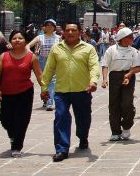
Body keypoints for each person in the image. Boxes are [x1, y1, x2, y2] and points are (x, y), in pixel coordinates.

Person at [41, 22, 100, 162]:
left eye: (73, 30)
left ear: (80, 32)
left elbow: (94, 66)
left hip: (83, 90)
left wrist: (93, 81)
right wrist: (44, 88)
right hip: (62, 91)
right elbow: (49, 69)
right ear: (63, 33)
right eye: (67, 30)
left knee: (83, 118)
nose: (70, 33)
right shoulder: (56, 49)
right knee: (61, 117)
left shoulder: (88, 48)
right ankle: (61, 149)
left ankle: (83, 136)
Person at [0, 31, 43, 156]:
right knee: (5, 120)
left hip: (25, 92)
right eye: (14, 38)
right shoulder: (4, 56)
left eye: (20, 38)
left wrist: (44, 89)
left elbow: (39, 75)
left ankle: (17, 146)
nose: (17, 40)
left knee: (22, 120)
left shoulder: (32, 57)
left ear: (25, 41)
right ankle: (13, 136)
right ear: (10, 41)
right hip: (7, 92)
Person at [101, 27, 138, 141]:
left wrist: (129, 75)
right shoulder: (111, 50)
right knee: (114, 104)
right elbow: (105, 64)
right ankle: (115, 131)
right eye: (130, 37)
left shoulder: (133, 51)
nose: (132, 39)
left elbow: (135, 66)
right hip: (115, 77)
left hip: (128, 77)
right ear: (122, 38)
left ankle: (126, 126)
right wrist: (104, 79)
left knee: (127, 103)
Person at [27, 19, 60, 111]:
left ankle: (50, 102)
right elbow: (28, 46)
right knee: (43, 80)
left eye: (51, 25)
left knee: (53, 81)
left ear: (54, 27)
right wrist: (32, 55)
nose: (49, 27)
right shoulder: (40, 37)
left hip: (54, 60)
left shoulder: (58, 38)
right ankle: (45, 98)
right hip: (42, 60)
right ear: (44, 27)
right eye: (47, 25)